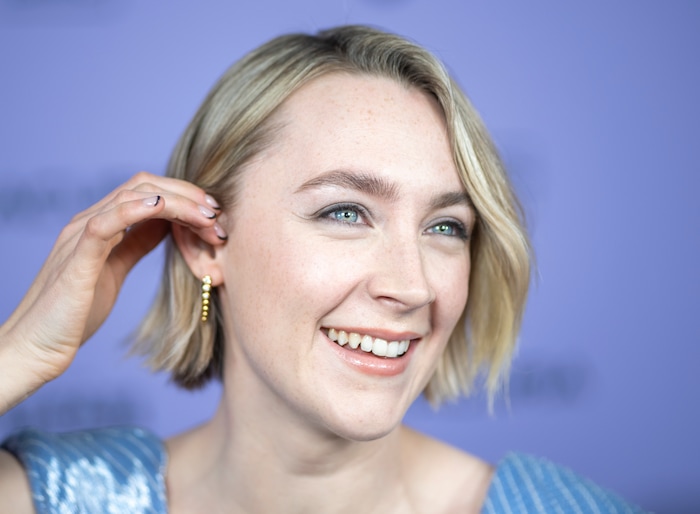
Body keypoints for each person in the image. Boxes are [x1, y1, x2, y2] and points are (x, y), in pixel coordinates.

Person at [0, 25, 646, 513]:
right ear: (204, 244)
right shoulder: (57, 498)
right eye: (345, 212)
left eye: (445, 226)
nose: (412, 285)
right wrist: (18, 353)